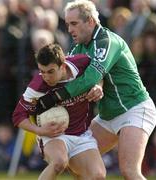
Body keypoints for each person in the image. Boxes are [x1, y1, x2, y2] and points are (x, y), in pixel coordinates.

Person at [35, 0, 156, 179]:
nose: (69, 29)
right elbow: (75, 79)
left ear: (91, 21)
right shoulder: (79, 48)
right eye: (68, 24)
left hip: (134, 109)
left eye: (74, 23)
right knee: (79, 161)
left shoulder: (106, 41)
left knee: (129, 171)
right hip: (108, 115)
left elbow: (92, 76)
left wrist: (56, 97)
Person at [12, 43, 106, 180]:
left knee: (98, 176)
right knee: (59, 163)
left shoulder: (83, 63)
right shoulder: (37, 86)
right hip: (53, 135)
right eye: (42, 71)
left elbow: (99, 75)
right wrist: (40, 131)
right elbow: (18, 116)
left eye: (50, 71)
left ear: (62, 66)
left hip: (82, 134)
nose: (45, 76)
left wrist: (99, 86)